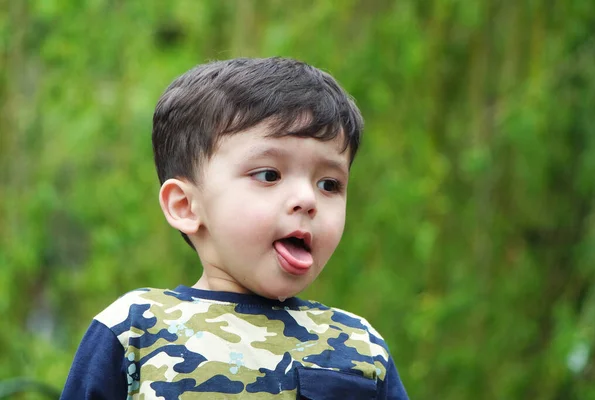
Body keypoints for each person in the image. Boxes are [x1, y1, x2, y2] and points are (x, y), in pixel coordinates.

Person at [61, 57, 409, 399]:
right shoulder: (134, 330)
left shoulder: (360, 347)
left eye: (329, 184)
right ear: (185, 206)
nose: (307, 199)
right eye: (269, 175)